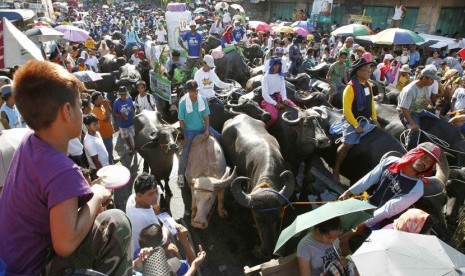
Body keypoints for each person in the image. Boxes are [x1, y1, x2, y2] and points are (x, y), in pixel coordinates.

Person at [0, 60, 132, 275]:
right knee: (116, 221)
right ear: (67, 111)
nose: (82, 111)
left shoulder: (28, 143)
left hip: (15, 260)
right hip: (35, 269)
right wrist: (98, 194)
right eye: (80, 105)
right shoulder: (63, 171)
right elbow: (65, 244)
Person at [339, 142, 442, 230]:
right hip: (367, 204)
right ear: (414, 153)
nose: (424, 163)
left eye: (429, 163)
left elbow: (388, 210)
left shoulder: (417, 188)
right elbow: (370, 178)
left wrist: (364, 224)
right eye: (423, 157)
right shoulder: (391, 161)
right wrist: (349, 192)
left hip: (379, 221)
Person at [332, 58, 380, 182]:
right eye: (367, 70)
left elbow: (371, 104)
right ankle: (336, 169)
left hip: (366, 119)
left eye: (370, 69)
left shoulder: (368, 85)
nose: (370, 72)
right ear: (358, 72)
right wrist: (355, 125)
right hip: (351, 120)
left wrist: (374, 119)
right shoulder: (350, 88)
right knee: (348, 144)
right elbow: (346, 110)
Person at [177, 80, 221, 187]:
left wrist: (206, 130)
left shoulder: (203, 100)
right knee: (185, 151)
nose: (195, 93)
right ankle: (181, 175)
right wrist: (184, 136)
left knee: (220, 138)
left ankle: (226, 166)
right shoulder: (183, 102)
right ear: (187, 91)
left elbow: (206, 117)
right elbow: (181, 121)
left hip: (202, 127)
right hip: (189, 130)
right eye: (192, 91)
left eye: (196, 90)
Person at [135, 223, 206, 276]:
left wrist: (165, 249)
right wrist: (185, 241)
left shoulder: (138, 254)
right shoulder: (172, 264)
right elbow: (190, 264)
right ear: (161, 243)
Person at [125, 173, 168, 256]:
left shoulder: (132, 199)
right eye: (150, 194)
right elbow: (163, 240)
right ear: (139, 195)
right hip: (146, 256)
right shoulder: (148, 219)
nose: (155, 196)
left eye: (156, 192)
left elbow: (155, 208)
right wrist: (168, 225)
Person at [397, 66, 440, 150]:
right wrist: (412, 124)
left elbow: (424, 100)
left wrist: (425, 104)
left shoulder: (426, 86)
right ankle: (408, 151)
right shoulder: (409, 90)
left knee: (437, 119)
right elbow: (404, 108)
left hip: (419, 110)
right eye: (432, 79)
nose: (433, 81)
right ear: (424, 78)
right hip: (408, 112)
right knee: (415, 133)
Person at [261, 57, 298, 127]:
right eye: (275, 65)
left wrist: (284, 99)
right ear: (271, 65)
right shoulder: (266, 78)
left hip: (279, 97)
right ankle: (266, 128)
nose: (277, 67)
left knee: (295, 107)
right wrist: (275, 104)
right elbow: (265, 94)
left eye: (278, 65)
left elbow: (283, 89)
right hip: (269, 100)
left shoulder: (281, 76)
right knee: (274, 116)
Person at [91, 91, 115, 164]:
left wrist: (108, 105)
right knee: (108, 152)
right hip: (105, 136)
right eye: (100, 99)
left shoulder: (101, 106)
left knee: (110, 149)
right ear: (95, 101)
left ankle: (112, 159)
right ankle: (111, 164)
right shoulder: (95, 111)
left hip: (109, 133)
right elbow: (107, 119)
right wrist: (106, 106)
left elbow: (110, 112)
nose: (102, 100)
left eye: (102, 98)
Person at [83, 113, 109, 178]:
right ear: (88, 126)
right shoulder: (89, 141)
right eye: (94, 124)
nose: (98, 126)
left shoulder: (97, 132)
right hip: (100, 169)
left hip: (105, 165)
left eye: (98, 123)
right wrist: (102, 175)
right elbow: (95, 161)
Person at [113, 86, 135, 153]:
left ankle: (135, 146)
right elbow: (114, 113)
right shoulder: (116, 102)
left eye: (124, 94)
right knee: (126, 137)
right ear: (119, 94)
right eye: (121, 94)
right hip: (122, 124)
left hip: (131, 122)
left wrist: (134, 116)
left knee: (134, 135)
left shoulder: (130, 98)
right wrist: (121, 115)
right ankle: (131, 148)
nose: (123, 96)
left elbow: (132, 108)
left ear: (126, 93)